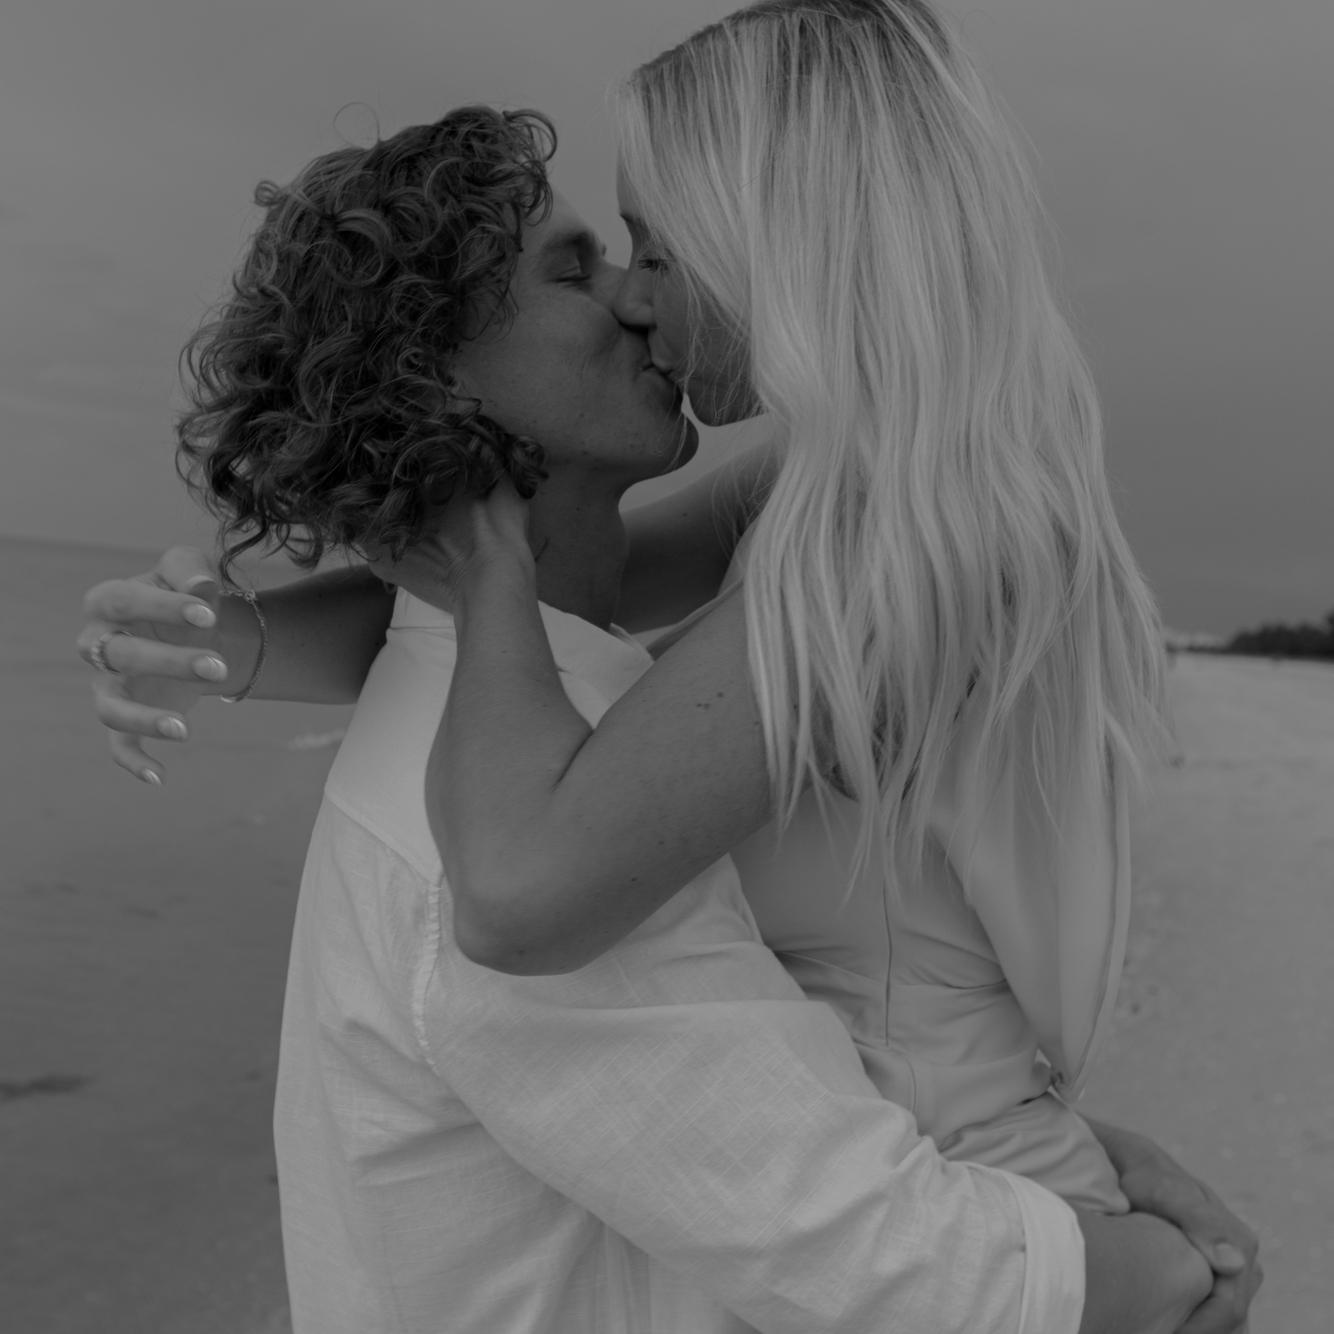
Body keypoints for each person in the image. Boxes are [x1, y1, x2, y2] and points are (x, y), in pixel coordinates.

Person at [77, 18, 1260, 1334]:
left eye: (654, 245)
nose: (636, 296)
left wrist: (1138, 1252)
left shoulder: (890, 540)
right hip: (947, 1166)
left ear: (782, 237)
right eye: (591, 262)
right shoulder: (850, 485)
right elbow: (601, 587)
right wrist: (223, 642)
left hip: (970, 1202)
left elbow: (520, 891)